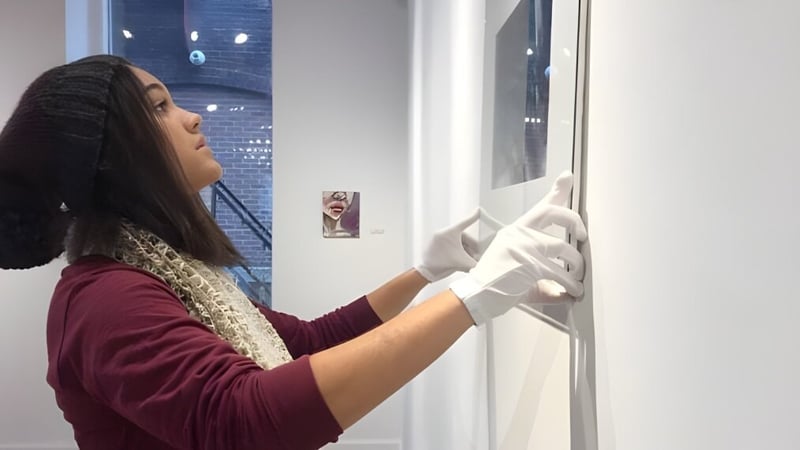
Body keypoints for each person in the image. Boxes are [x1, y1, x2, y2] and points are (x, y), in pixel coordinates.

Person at [0, 55, 587, 450]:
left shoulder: (170, 271)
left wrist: (426, 272)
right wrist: (472, 297)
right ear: (109, 156)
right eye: (158, 107)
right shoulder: (106, 298)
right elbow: (244, 419)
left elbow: (304, 341)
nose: (192, 116)